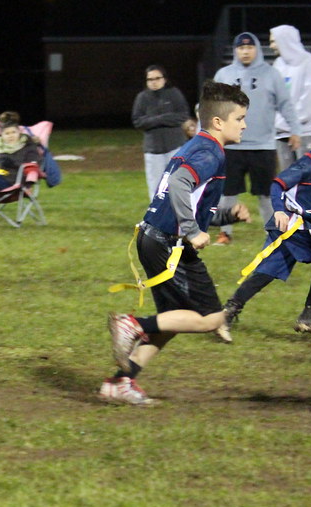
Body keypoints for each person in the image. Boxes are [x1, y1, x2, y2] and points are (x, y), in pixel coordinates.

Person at [100, 81, 251, 406]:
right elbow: (182, 186)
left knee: (171, 321)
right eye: (240, 118)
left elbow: (186, 201)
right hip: (169, 243)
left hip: (152, 237)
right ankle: (132, 324)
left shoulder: (195, 146)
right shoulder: (211, 152)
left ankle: (120, 383)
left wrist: (227, 216)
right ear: (218, 122)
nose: (244, 125)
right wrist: (191, 230)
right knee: (212, 318)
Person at [220, 113, 311, 341]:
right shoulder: (306, 165)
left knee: (266, 272)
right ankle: (309, 315)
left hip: (295, 228)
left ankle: (226, 313)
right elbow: (277, 185)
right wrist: (280, 211)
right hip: (293, 226)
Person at [213, 32, 305, 244]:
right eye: (241, 48)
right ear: (235, 50)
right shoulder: (224, 75)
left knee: (266, 194)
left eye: (250, 47)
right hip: (232, 146)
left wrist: (295, 130)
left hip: (263, 146)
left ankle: (273, 232)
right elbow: (211, 106)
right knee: (227, 193)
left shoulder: (271, 74)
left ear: (257, 49)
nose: (245, 51)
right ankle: (225, 232)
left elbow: (286, 104)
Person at [132, 65, 192, 201]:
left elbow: (182, 116)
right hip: (153, 150)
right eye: (150, 79)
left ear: (164, 79)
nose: (154, 82)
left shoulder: (174, 93)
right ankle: (157, 219)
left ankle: (181, 218)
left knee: (179, 186)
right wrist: (163, 118)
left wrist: (154, 120)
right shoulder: (142, 97)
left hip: (176, 147)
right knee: (155, 188)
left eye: (157, 78)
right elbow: (138, 122)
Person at [270, 25, 311, 171]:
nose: (271, 46)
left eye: (274, 41)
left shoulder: (309, 62)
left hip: (304, 132)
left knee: (307, 180)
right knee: (288, 180)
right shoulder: (278, 64)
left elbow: (310, 101)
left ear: (285, 40)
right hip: (281, 132)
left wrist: (291, 122)